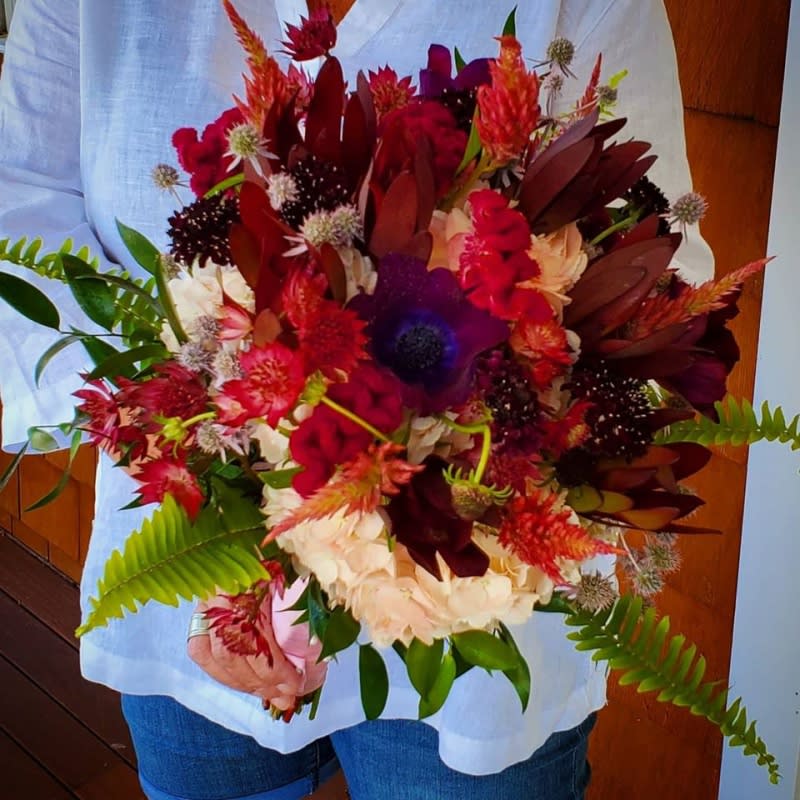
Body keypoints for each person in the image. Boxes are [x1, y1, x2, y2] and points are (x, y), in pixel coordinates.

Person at [0, 1, 713, 798]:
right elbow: (17, 199)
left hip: (470, 619)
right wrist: (184, 431)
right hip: (198, 588)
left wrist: (473, 441)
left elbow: (657, 268)